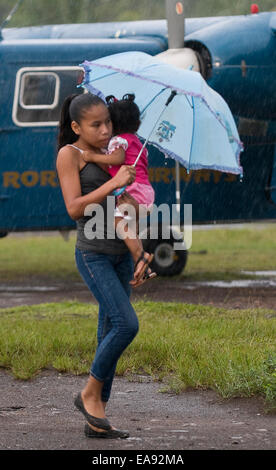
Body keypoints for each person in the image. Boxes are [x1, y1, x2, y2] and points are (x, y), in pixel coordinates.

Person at [56, 93, 153, 439]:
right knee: (126, 325)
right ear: (76, 126)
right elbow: (74, 208)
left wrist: (138, 253)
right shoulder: (70, 155)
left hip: (119, 254)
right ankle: (88, 394)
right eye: (96, 124)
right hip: (93, 254)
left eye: (108, 122)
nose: (104, 129)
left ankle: (97, 418)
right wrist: (114, 183)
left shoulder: (115, 153)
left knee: (107, 330)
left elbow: (125, 210)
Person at [82, 93, 156, 281]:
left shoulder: (118, 141)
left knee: (117, 221)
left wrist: (92, 157)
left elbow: (117, 159)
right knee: (131, 227)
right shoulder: (137, 142)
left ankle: (140, 256)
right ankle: (142, 265)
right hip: (145, 191)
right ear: (138, 125)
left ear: (112, 124)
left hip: (132, 188)